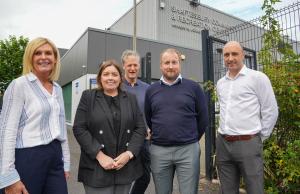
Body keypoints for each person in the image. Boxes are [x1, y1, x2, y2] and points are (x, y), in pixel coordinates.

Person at [0, 37, 70, 194]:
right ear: (30, 58)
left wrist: (66, 163)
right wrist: (9, 177)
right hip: (28, 157)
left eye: (48, 53)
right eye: (38, 53)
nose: (44, 57)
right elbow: (6, 132)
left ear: (55, 58)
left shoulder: (58, 88)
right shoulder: (19, 85)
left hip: (55, 156)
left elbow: (61, 128)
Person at [73, 60, 146, 194]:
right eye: (106, 74)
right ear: (100, 78)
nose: (110, 78)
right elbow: (79, 128)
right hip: (96, 167)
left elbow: (140, 128)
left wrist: (129, 154)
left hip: (124, 167)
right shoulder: (88, 97)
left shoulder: (130, 98)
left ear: (120, 78)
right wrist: (99, 155)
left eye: (114, 74)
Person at [216, 41, 278, 194]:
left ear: (243, 55)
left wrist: (258, 137)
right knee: (227, 190)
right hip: (223, 143)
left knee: (255, 189)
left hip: (248, 143)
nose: (230, 58)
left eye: (234, 54)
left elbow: (271, 110)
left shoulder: (258, 78)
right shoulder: (221, 83)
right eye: (226, 55)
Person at [144, 48, 208, 194]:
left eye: (174, 62)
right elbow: (149, 116)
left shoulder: (193, 87)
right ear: (161, 65)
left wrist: (190, 138)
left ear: (179, 64)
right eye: (167, 62)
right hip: (159, 151)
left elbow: (203, 118)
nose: (171, 66)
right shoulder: (151, 90)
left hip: (188, 150)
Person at [121, 50, 151, 194]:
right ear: (123, 66)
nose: (132, 68)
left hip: (144, 140)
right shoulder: (117, 86)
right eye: (129, 65)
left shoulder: (147, 88)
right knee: (123, 176)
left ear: (139, 66)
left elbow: (152, 111)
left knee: (144, 176)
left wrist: (151, 128)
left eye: (135, 65)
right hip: (122, 140)